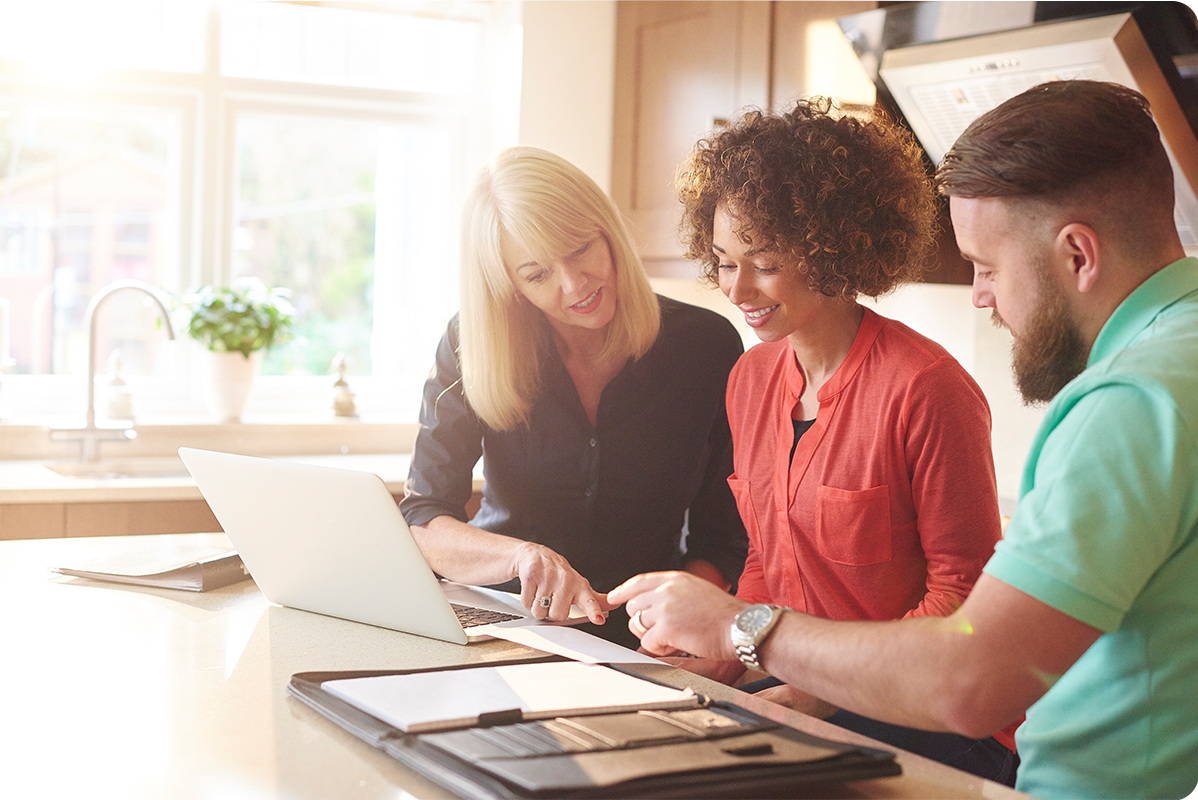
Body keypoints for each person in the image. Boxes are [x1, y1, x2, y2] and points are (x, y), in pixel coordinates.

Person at [610, 79, 1198, 800]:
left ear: (1078, 255)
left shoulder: (1126, 406)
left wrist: (745, 628)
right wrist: (730, 653)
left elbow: (969, 680)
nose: (980, 297)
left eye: (986, 268)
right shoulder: (1176, 363)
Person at [663, 97, 1015, 783]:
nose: (737, 288)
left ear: (837, 247)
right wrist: (728, 656)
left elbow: (961, 599)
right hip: (803, 696)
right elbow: (765, 564)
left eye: (762, 261)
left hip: (930, 722)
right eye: (723, 261)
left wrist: (824, 686)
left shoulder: (927, 389)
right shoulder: (750, 380)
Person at [401, 145, 747, 648]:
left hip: (643, 633)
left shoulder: (705, 345)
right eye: (537, 274)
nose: (574, 285)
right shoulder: (472, 341)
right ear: (511, 286)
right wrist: (520, 557)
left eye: (580, 248)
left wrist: (683, 629)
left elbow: (722, 535)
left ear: (607, 231)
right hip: (502, 619)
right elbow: (425, 517)